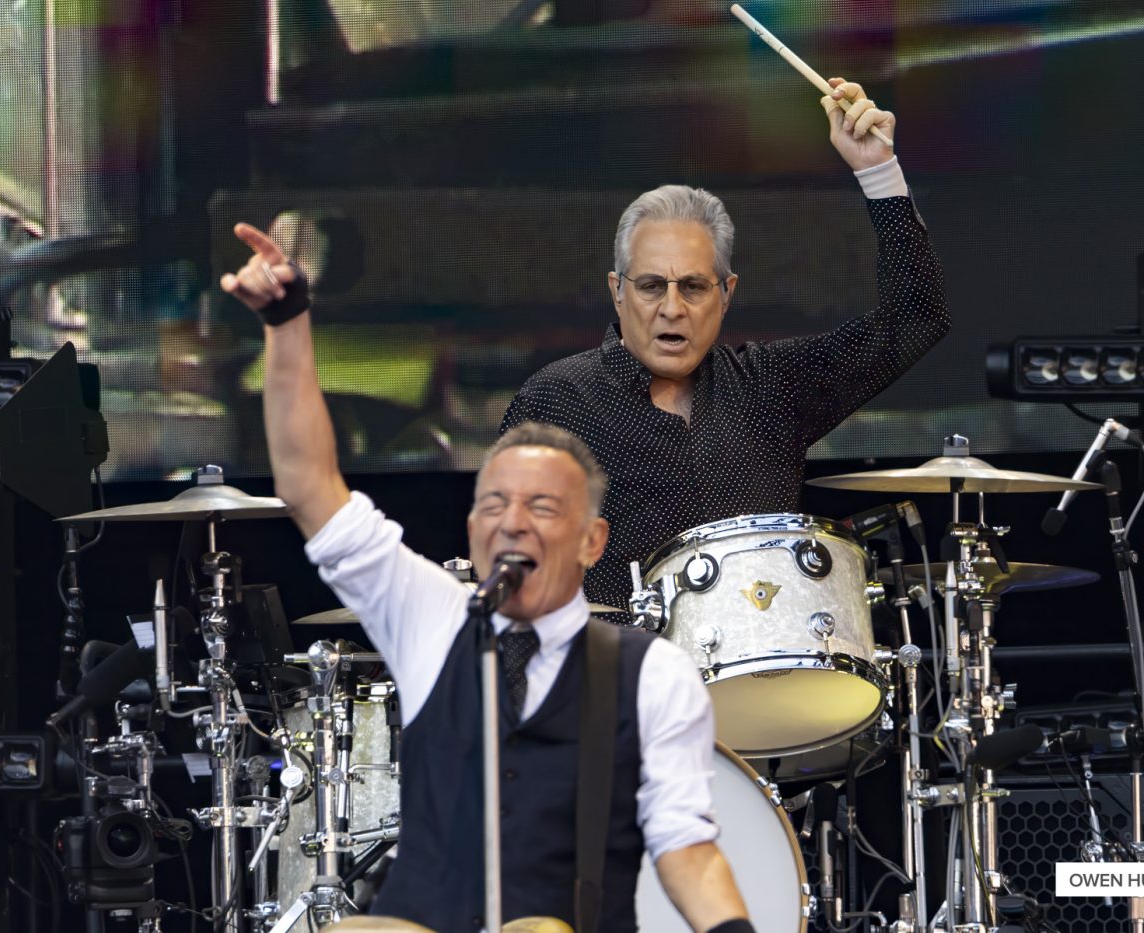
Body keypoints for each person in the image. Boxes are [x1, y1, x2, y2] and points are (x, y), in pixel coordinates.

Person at [220, 241, 752, 932]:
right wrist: (287, 321)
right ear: (471, 529)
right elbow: (308, 485)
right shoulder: (434, 618)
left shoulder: (648, 673)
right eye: (494, 506)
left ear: (592, 541)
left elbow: (687, 846)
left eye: (542, 508)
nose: (512, 526)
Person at [500, 78, 952, 610]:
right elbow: (507, 568)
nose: (672, 308)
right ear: (616, 292)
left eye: (693, 286)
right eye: (650, 287)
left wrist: (878, 171)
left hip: (763, 685)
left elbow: (916, 320)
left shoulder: (772, 386)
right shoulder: (555, 402)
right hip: (614, 681)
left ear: (726, 294)